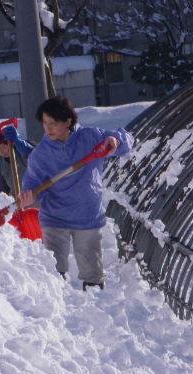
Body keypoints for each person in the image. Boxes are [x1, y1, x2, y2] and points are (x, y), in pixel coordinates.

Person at [18, 96, 134, 290]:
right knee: (53, 272)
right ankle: (55, 310)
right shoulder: (41, 155)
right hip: (54, 218)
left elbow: (126, 140)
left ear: (68, 121)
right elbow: (32, 188)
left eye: (53, 123)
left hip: (87, 216)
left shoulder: (90, 138)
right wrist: (30, 197)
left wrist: (116, 140)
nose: (48, 128)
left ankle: (95, 309)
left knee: (92, 274)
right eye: (45, 123)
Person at [0, 119, 33, 196]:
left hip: (36, 196)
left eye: (2, 147)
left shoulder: (23, 147)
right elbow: (4, 187)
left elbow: (41, 161)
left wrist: (26, 151)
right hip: (17, 201)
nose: (1, 152)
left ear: (8, 142)